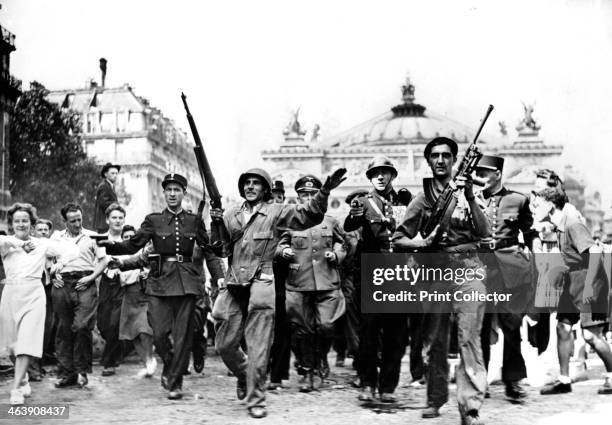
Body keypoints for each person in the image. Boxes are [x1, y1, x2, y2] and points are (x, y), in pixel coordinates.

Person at [210, 167, 346, 419]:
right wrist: (215, 223)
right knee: (225, 344)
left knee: (258, 346)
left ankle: (256, 398)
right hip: (234, 283)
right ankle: (244, 375)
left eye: (256, 183)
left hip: (261, 282)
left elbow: (308, 216)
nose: (250, 187)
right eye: (247, 183)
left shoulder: (276, 211)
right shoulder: (231, 215)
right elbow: (220, 249)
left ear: (265, 188)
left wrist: (324, 191)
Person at [392, 137, 490, 425]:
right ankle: (435, 398)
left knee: (469, 338)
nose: (440, 160)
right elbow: (399, 238)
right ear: (428, 160)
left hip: (469, 269)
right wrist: (421, 242)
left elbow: (485, 233)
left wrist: (471, 197)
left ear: (454, 160)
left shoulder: (469, 193)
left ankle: (470, 408)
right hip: (435, 273)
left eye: (447, 155)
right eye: (434, 155)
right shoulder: (422, 199)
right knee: (434, 339)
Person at [100, 173, 214, 400]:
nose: (172, 194)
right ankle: (170, 363)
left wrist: (218, 275)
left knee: (183, 336)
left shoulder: (194, 221)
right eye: (168, 190)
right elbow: (135, 243)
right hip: (159, 283)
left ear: (183, 193)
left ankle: (175, 383)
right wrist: (112, 247)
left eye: (177, 190)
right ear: (164, 193)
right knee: (159, 333)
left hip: (187, 284)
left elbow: (210, 249)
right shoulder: (153, 220)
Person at [344, 156, 411, 403]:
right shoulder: (363, 202)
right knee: (369, 331)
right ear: (370, 178)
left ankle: (388, 387)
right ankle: (368, 383)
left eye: (384, 172)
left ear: (392, 175)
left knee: (396, 333)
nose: (380, 177)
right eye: (375, 174)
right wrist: (354, 214)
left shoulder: (404, 200)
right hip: (372, 273)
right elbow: (350, 224)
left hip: (399, 274)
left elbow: (414, 227)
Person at [536, 186, 612, 395]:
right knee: (563, 327)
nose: (534, 207)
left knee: (590, 336)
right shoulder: (559, 228)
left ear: (551, 205)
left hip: (590, 280)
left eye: (537, 203)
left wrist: (588, 286)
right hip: (572, 282)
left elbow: (595, 252)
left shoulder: (572, 224)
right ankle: (564, 379)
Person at [0, 203, 77, 405]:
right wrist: (19, 244)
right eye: (17, 221)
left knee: (26, 341)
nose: (21, 224)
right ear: (11, 224)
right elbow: (4, 242)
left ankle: (15, 388)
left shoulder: (42, 244)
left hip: (34, 294)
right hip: (11, 294)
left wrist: (59, 264)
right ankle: (23, 378)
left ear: (32, 224)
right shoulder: (5, 242)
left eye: (25, 220)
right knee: (12, 347)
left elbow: (71, 251)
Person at [276, 175, 347, 392]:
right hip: (299, 283)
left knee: (326, 326)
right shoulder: (289, 221)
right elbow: (278, 246)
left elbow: (343, 243)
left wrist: (336, 255)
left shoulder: (330, 220)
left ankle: (321, 359)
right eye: (303, 194)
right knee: (301, 330)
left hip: (327, 281)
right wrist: (284, 251)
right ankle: (308, 370)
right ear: (297, 197)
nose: (308, 198)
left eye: (311, 194)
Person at [475, 155, 537, 401]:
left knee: (512, 327)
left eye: (483, 173)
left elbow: (530, 233)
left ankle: (513, 381)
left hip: (511, 270)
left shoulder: (518, 200)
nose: (478, 178)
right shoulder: (470, 200)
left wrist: (538, 259)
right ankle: (479, 381)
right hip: (481, 270)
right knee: (479, 328)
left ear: (497, 174)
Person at [52, 203, 107, 389]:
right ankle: (67, 374)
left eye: (79, 220)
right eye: (72, 221)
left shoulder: (92, 236)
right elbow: (47, 258)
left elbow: (103, 260)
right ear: (64, 221)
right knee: (63, 328)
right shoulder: (56, 237)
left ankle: (82, 371)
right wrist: (53, 275)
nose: (77, 224)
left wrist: (91, 277)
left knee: (82, 326)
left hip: (85, 282)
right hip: (62, 284)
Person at [115, 225, 156, 378]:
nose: (129, 240)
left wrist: (147, 272)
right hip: (128, 294)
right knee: (132, 332)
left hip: (144, 292)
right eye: (125, 237)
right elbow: (113, 272)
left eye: (132, 237)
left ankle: (150, 358)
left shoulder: (144, 252)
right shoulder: (118, 254)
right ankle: (146, 361)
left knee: (144, 329)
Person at [268, 179, 292, 390]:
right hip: (262, 282)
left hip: (284, 283)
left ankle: (278, 374)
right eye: (271, 197)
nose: (275, 200)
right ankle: (265, 370)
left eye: (278, 197)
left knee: (282, 329)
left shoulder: (290, 224)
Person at [98, 203, 127, 376]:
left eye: (120, 218)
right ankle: (118, 352)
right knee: (103, 323)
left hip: (121, 283)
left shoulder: (128, 242)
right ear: (107, 220)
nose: (117, 221)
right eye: (114, 218)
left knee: (115, 323)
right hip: (104, 282)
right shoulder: (99, 239)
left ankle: (108, 363)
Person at [94, 162, 120, 234]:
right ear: (106, 174)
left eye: (116, 173)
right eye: (112, 173)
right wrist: (116, 205)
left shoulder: (110, 186)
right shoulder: (104, 186)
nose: (115, 175)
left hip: (108, 222)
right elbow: (104, 203)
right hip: (104, 223)